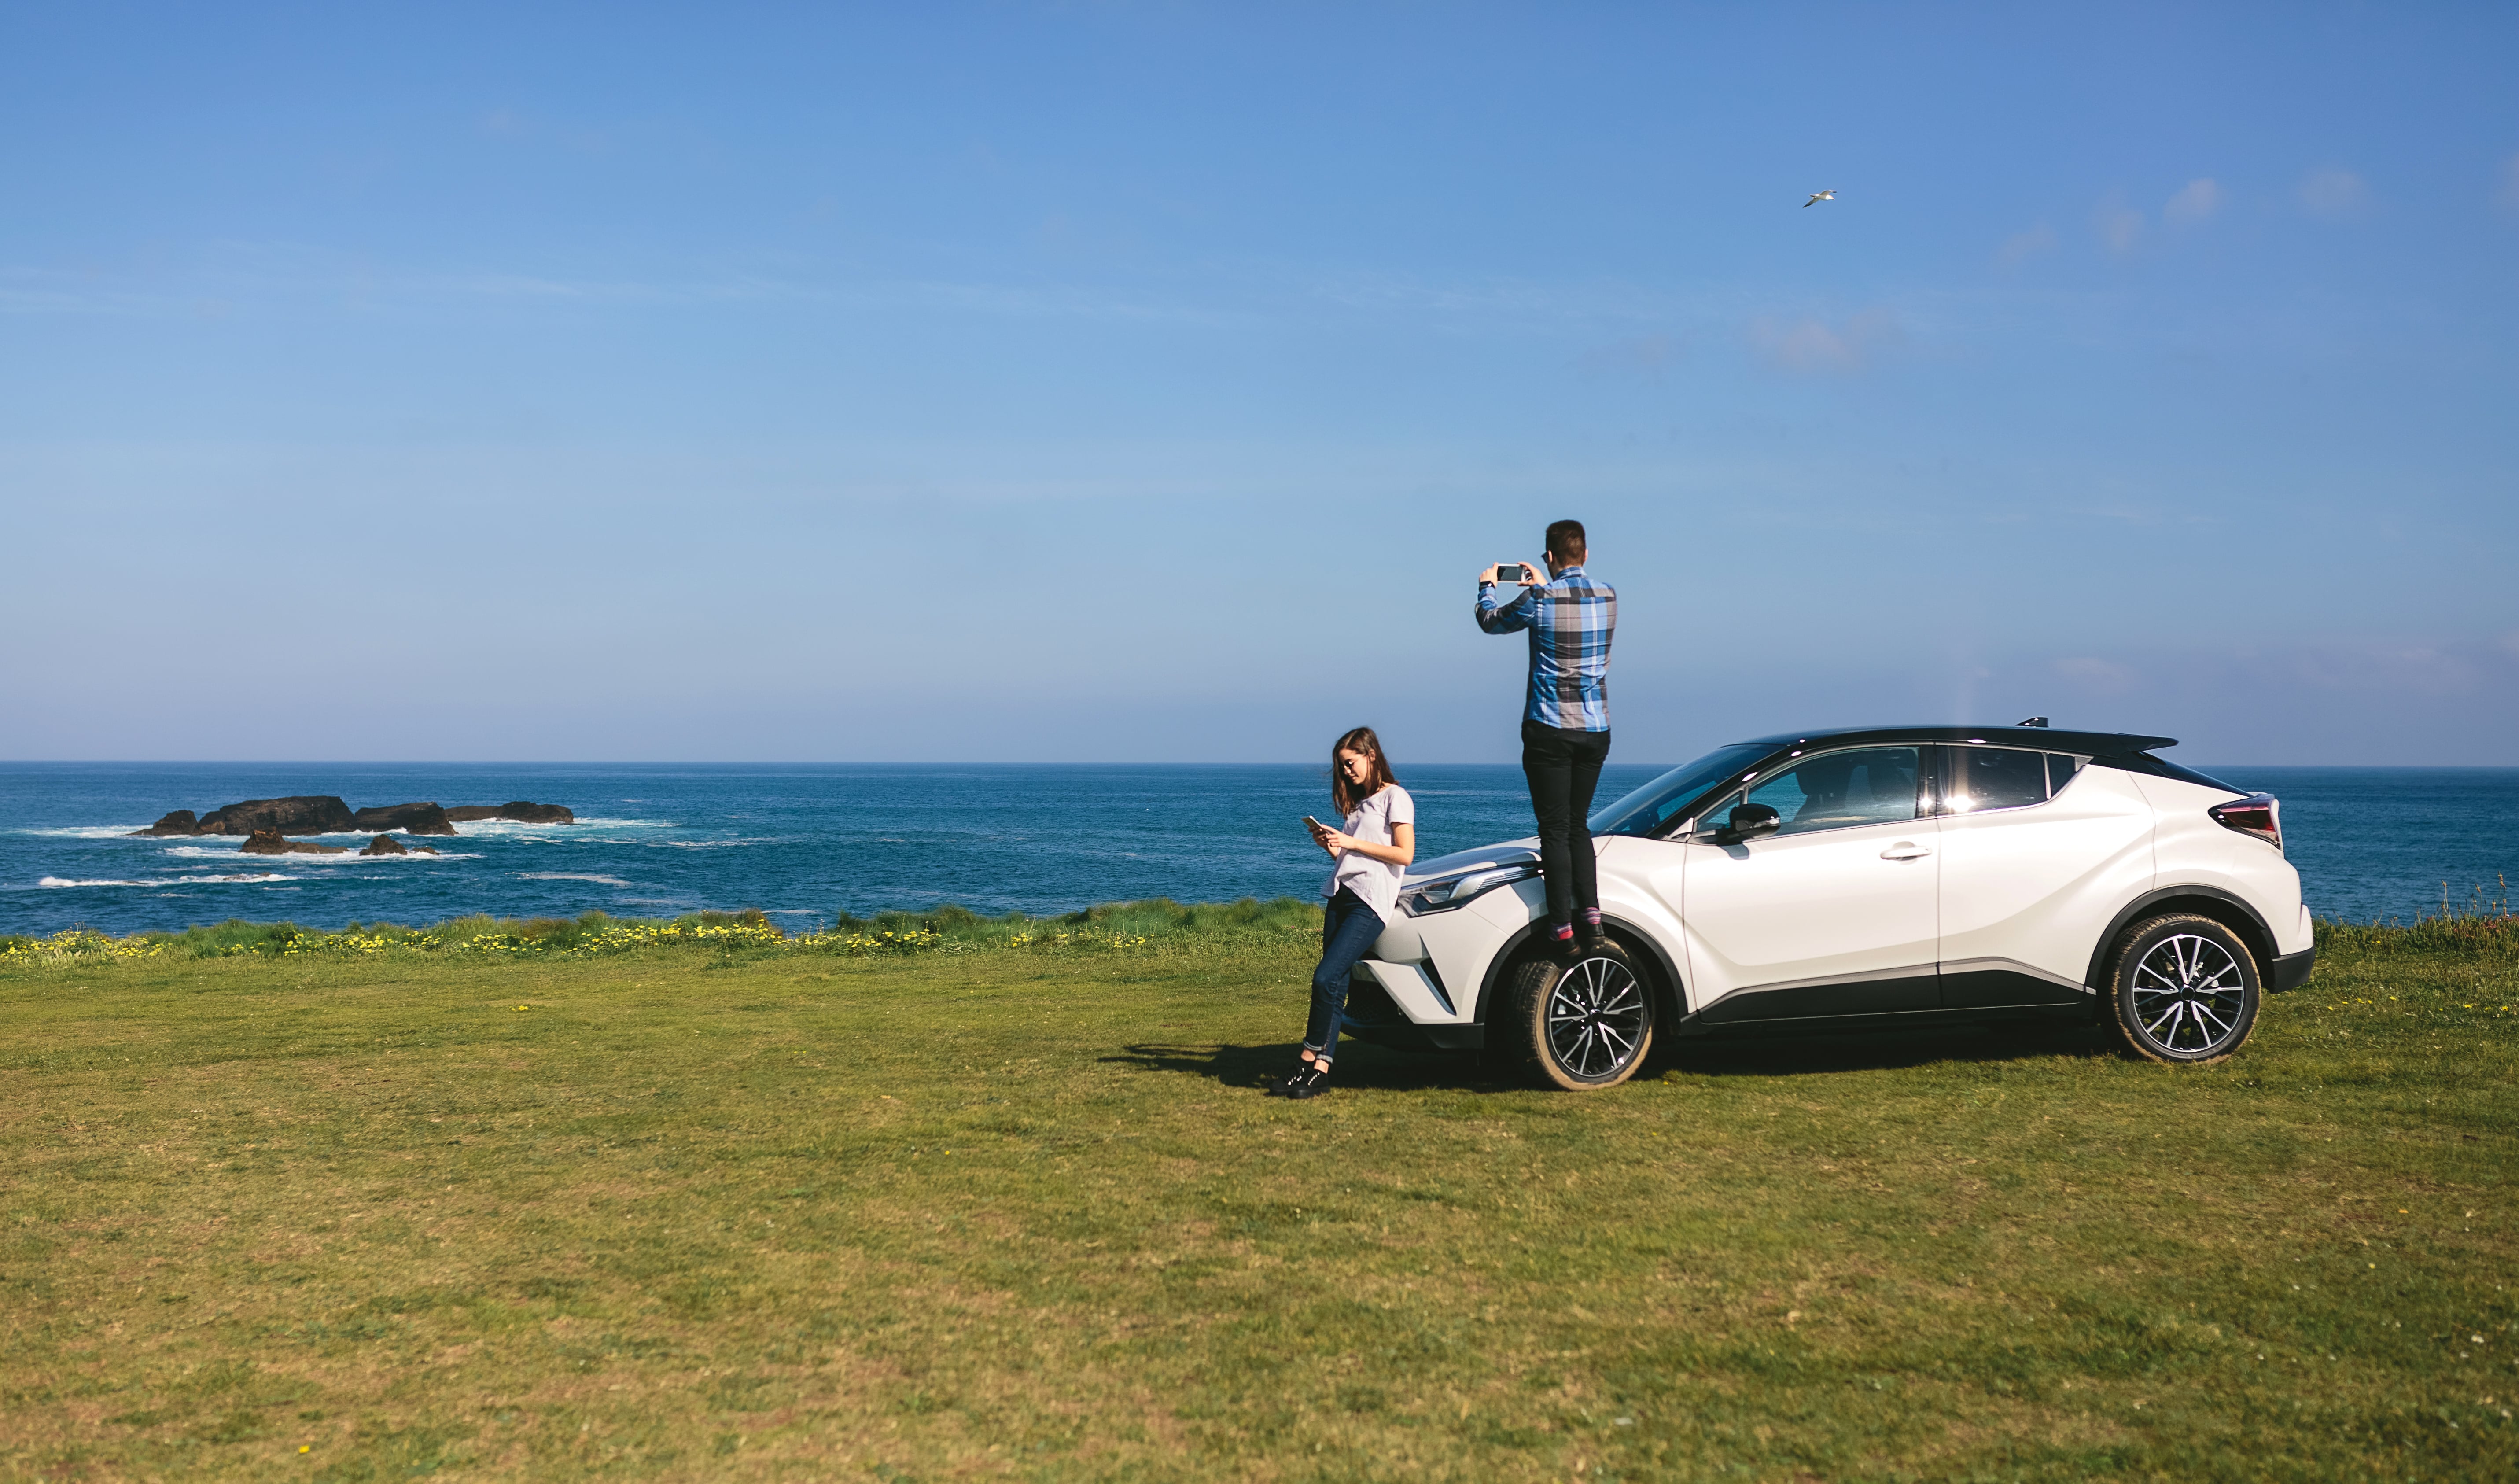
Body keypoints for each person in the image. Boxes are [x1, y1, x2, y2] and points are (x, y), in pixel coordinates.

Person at [1475, 518, 1617, 955]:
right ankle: (1591, 916)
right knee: (1578, 825)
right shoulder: (1609, 595)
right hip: (1595, 728)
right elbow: (1569, 601)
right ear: (1586, 554)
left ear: (1550, 556)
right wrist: (1544, 584)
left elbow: (1490, 621)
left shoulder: (1538, 599)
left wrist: (1487, 586)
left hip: (1549, 729)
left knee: (1553, 829)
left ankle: (1562, 928)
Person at [1270, 727, 1416, 1100]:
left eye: (1350, 763)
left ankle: (1305, 1058)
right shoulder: (1360, 805)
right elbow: (1355, 861)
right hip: (1343, 895)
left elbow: (1404, 854)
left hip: (1370, 905)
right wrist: (1332, 846)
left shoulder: (1395, 797)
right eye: (1341, 766)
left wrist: (1350, 841)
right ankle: (1321, 1071)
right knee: (1335, 985)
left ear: (1370, 755)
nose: (1346, 772)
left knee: (1324, 978)